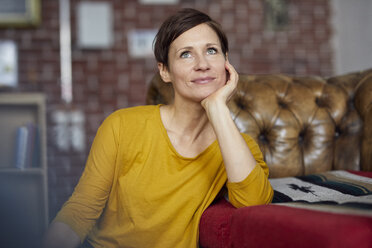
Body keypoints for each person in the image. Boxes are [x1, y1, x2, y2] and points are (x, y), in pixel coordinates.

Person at [42, 8, 273, 248]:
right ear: (164, 71)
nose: (202, 64)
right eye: (186, 54)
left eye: (211, 51)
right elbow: (80, 211)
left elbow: (254, 204)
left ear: (226, 63)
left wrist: (217, 108)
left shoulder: (239, 147)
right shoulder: (121, 126)